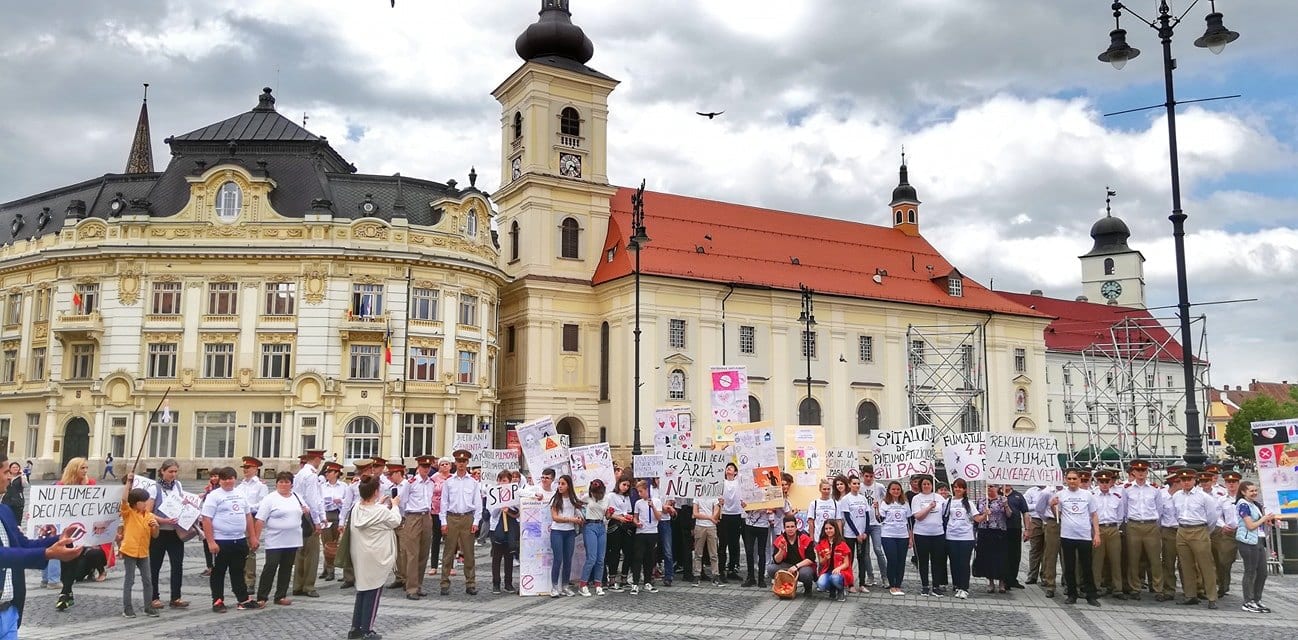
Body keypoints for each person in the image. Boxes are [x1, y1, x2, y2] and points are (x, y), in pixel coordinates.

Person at [0, 453, 81, 633]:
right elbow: (2, 555)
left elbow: (22, 544)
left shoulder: (4, 511)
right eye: (6, 472)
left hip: (9, 612)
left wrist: (58, 538)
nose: (9, 477)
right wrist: (48, 553)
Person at [347, 475, 401, 640]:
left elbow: (370, 510)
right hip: (376, 556)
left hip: (360, 553)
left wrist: (380, 504)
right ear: (376, 492)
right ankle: (367, 630)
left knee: (362, 589)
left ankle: (355, 628)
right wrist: (395, 505)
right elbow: (395, 521)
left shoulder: (357, 507)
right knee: (373, 591)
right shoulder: (381, 511)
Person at [200, 466, 258, 612]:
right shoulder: (214, 496)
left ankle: (243, 599)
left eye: (231, 479)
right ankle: (218, 600)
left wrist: (252, 537)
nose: (228, 482)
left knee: (238, 571)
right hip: (221, 540)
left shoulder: (240, 493)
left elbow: (248, 516)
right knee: (218, 571)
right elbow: (206, 519)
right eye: (225, 479)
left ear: (235, 479)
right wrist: (210, 541)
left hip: (239, 539)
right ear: (220, 480)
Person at [253, 471, 305, 607]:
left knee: (286, 568)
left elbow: (305, 509)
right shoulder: (270, 498)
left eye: (286, 482)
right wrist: (255, 539)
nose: (283, 484)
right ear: (276, 484)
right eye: (281, 482)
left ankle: (280, 595)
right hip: (275, 540)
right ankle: (262, 596)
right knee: (271, 566)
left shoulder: (297, 496)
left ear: (291, 484)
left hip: (292, 539)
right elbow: (260, 520)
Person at [54, 457, 100, 611]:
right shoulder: (61, 486)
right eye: (82, 468)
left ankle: (64, 592)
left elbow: (97, 503)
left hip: (82, 530)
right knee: (65, 561)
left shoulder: (91, 484)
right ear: (74, 469)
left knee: (74, 560)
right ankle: (68, 592)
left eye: (86, 468)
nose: (86, 471)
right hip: (65, 531)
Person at [1052, 468, 1100, 607]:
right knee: (1069, 567)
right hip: (1067, 535)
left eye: (1074, 479)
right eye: (1069, 479)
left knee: (1086, 566)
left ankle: (1091, 595)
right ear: (1066, 480)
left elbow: (1094, 515)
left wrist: (1096, 533)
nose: (1072, 481)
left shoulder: (1087, 495)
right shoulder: (1060, 495)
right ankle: (1072, 594)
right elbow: (1057, 516)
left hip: (1084, 535)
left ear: (1079, 480)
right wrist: (1052, 506)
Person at [1174, 471, 1221, 609]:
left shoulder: (1204, 497)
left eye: (1189, 479)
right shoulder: (1177, 496)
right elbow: (1176, 514)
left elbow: (1212, 517)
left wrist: (1205, 531)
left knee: (1205, 565)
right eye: (1183, 479)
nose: (1186, 482)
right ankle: (1190, 595)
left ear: (1195, 480)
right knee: (1185, 564)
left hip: (1199, 529)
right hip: (1182, 529)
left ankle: (1212, 597)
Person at [148, 459, 190, 610]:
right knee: (155, 565)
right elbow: (148, 512)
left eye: (175, 472)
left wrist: (185, 505)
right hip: (159, 532)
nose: (173, 474)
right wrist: (164, 520)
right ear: (162, 471)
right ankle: (154, 597)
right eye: (170, 471)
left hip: (175, 532)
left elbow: (180, 502)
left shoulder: (177, 485)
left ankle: (176, 597)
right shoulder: (155, 488)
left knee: (177, 564)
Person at [116, 475, 160, 619]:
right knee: (130, 580)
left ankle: (148, 607)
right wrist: (128, 482)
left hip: (143, 552)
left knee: (147, 580)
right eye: (143, 501)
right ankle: (127, 608)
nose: (146, 503)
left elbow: (155, 536)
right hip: (130, 550)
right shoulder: (128, 512)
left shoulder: (149, 515)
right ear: (135, 503)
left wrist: (156, 528)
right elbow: (124, 499)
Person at [1120, 459, 1164, 601]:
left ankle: (1158, 588)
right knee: (1133, 558)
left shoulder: (1154, 489)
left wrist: (1155, 524)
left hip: (1151, 525)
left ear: (1147, 472)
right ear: (1133, 472)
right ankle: (1135, 588)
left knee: (1155, 559)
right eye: (1138, 471)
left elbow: (1160, 509)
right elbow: (1124, 509)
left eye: (1143, 471)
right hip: (1134, 525)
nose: (1141, 473)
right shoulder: (1126, 489)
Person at [439, 449, 481, 596]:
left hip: (467, 517)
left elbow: (477, 503)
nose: (461, 464)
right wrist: (443, 521)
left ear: (467, 463)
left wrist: (476, 521)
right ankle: (444, 582)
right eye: (459, 461)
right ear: (455, 463)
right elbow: (443, 503)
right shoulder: (449, 482)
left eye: (464, 461)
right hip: (452, 517)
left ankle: (470, 583)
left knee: (469, 553)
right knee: (448, 552)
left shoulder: (474, 482)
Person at [397, 456, 435, 600]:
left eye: (428, 467)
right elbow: (402, 501)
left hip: (426, 516)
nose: (426, 469)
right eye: (423, 466)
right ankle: (411, 588)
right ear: (418, 467)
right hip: (413, 516)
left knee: (423, 553)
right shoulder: (410, 483)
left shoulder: (431, 483)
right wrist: (405, 518)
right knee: (412, 554)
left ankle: (418, 585)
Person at [291, 449, 327, 599]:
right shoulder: (311, 476)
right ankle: (309, 586)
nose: (321, 462)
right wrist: (318, 521)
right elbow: (313, 499)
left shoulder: (300, 474)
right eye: (320, 459)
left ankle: (297, 585)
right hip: (309, 517)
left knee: (300, 552)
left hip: (299, 515)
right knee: (312, 554)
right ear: (316, 459)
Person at [1234, 480, 1274, 613]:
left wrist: (1266, 521)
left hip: (1258, 539)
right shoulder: (1243, 505)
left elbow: (1258, 523)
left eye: (1255, 490)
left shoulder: (1255, 504)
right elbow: (1250, 526)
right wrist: (1263, 519)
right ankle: (1248, 601)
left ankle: (1257, 599)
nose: (1254, 493)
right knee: (1250, 571)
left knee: (1262, 572)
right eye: (1251, 491)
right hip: (1247, 541)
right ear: (1243, 492)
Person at [943, 478, 981, 600]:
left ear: (965, 489)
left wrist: (985, 514)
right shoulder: (948, 502)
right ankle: (957, 585)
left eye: (961, 487)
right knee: (954, 562)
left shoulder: (969, 503)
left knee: (964, 563)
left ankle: (964, 588)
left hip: (966, 537)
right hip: (951, 536)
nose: (958, 489)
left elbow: (977, 519)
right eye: (956, 487)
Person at [1090, 469, 1124, 598]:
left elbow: (1121, 515)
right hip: (1098, 529)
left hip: (1113, 529)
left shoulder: (1117, 497)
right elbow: (1090, 515)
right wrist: (1095, 531)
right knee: (1097, 560)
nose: (1104, 484)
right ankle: (1096, 587)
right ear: (1097, 482)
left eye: (1107, 481)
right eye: (1101, 481)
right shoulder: (1092, 497)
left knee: (1116, 560)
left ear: (1111, 482)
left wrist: (1116, 527)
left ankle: (1117, 588)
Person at [909, 476, 945, 597]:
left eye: (928, 484)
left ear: (932, 485)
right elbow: (918, 516)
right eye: (924, 484)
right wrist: (929, 507)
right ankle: (925, 585)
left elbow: (945, 513)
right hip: (921, 534)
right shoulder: (916, 498)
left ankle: (936, 586)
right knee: (923, 561)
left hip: (938, 534)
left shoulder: (939, 498)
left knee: (937, 561)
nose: (926, 486)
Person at [549, 474, 583, 597]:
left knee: (568, 560)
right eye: (559, 483)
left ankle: (565, 586)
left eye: (563, 484)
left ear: (568, 486)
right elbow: (555, 517)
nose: (560, 486)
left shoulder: (574, 500)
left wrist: (578, 519)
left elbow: (579, 512)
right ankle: (554, 587)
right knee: (558, 559)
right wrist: (571, 519)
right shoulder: (556, 499)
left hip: (570, 532)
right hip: (557, 531)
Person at [876, 481, 911, 596]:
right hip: (888, 535)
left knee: (901, 561)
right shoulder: (884, 503)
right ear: (889, 491)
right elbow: (880, 520)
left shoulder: (905, 503)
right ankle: (892, 585)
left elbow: (909, 521)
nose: (896, 491)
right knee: (892, 560)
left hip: (903, 536)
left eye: (898, 489)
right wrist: (876, 510)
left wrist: (911, 537)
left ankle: (898, 585)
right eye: (893, 489)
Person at [238, 456, 269, 589]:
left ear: (255, 469)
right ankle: (240, 578)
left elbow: (263, 504)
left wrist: (247, 507)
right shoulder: (240, 485)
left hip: (254, 518)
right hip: (240, 519)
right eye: (244, 467)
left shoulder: (261, 486)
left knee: (251, 548)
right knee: (240, 549)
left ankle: (250, 580)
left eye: (248, 467)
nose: (245, 470)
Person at [488, 470, 520, 595]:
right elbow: (492, 513)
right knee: (496, 557)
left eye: (505, 480)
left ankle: (508, 583)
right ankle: (496, 583)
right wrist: (499, 507)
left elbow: (517, 513)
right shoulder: (494, 493)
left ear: (510, 481)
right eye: (500, 480)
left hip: (510, 529)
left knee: (509, 556)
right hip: (496, 528)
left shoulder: (514, 493)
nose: (502, 483)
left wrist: (509, 509)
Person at [974, 484, 1010, 594]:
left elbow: (1009, 515)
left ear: (997, 488)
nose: (990, 489)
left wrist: (1006, 505)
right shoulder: (981, 500)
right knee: (987, 557)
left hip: (999, 531)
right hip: (984, 531)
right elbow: (976, 516)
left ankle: (1002, 582)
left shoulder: (1002, 499)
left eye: (992, 486)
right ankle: (990, 581)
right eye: (988, 486)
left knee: (1000, 557)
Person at [767, 515, 815, 595]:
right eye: (787, 527)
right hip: (786, 565)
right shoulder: (779, 539)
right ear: (784, 528)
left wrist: (796, 566)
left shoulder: (805, 538)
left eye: (792, 526)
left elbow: (811, 559)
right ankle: (786, 586)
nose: (790, 529)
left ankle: (808, 587)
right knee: (771, 569)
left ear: (796, 527)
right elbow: (777, 561)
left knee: (806, 574)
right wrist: (781, 550)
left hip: (801, 566)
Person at [1212, 470, 1242, 599]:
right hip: (1229, 532)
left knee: (1252, 562)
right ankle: (1223, 586)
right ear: (1225, 483)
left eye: (1234, 482)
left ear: (1238, 483)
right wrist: (1223, 525)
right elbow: (1216, 516)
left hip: (1246, 532)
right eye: (1229, 482)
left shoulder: (1244, 498)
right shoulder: (1222, 499)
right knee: (1224, 561)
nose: (1231, 484)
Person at [840, 475, 872, 594]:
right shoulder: (846, 499)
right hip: (850, 534)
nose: (857, 486)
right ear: (849, 485)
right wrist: (857, 533)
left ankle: (862, 583)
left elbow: (868, 516)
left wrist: (866, 532)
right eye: (854, 483)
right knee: (849, 559)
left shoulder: (863, 498)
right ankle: (850, 583)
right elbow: (848, 518)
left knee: (862, 558)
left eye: (858, 483)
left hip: (862, 534)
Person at [629, 480, 662, 594]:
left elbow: (659, 517)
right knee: (638, 557)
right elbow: (635, 517)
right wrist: (636, 522)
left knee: (650, 558)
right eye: (638, 491)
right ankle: (635, 583)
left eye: (641, 491)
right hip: (641, 532)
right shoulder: (638, 503)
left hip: (652, 532)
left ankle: (648, 581)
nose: (639, 494)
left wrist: (652, 507)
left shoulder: (657, 501)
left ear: (647, 490)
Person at [858, 466, 888, 586]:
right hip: (863, 523)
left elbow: (887, 499)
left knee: (878, 549)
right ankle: (870, 576)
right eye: (866, 476)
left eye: (871, 476)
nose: (869, 478)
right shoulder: (859, 487)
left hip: (876, 523)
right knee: (865, 553)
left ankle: (885, 577)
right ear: (862, 475)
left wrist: (879, 506)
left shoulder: (879, 487)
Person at [1033, 481, 1063, 598]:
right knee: (1051, 554)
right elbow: (1039, 509)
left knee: (1067, 554)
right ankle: (1050, 583)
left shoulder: (1066, 491)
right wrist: (1047, 521)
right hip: (1052, 522)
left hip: (1067, 522)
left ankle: (1068, 582)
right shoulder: (1047, 492)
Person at [606, 476, 636, 591]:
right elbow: (608, 513)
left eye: (628, 486)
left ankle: (624, 578)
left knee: (628, 551)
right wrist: (619, 517)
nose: (625, 487)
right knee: (615, 552)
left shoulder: (627, 497)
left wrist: (629, 517)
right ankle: (612, 579)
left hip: (626, 524)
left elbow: (627, 511)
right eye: (624, 484)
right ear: (619, 484)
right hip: (615, 525)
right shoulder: (611, 496)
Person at [319, 461, 347, 581]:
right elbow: (319, 501)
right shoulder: (322, 486)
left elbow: (348, 501)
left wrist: (340, 501)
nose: (327, 474)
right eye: (326, 472)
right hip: (325, 514)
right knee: (326, 542)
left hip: (337, 514)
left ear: (336, 473)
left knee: (334, 543)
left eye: (330, 472)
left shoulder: (344, 486)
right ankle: (329, 569)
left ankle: (329, 568)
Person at [814, 519, 853, 602]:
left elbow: (846, 563)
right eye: (826, 529)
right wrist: (825, 558)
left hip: (840, 572)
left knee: (835, 578)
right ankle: (832, 589)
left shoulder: (842, 543)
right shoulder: (821, 543)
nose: (828, 531)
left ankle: (841, 590)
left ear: (835, 529)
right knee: (821, 584)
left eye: (830, 528)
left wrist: (839, 568)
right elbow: (821, 562)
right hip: (827, 571)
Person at [718, 463, 743, 582]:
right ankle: (721, 570)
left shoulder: (738, 482)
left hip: (736, 515)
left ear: (736, 472)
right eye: (727, 467)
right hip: (724, 515)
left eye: (731, 467)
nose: (728, 468)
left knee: (734, 544)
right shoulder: (721, 482)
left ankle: (732, 569)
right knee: (723, 544)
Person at [427, 457, 452, 575]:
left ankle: (450, 565)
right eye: (442, 464)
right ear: (438, 466)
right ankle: (434, 565)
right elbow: (428, 494)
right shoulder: (433, 478)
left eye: (447, 464)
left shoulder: (453, 478)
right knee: (436, 538)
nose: (445, 466)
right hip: (436, 511)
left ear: (450, 466)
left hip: (449, 512)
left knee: (450, 540)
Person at [1000, 484, 1029, 589]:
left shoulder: (1018, 496)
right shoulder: (997, 494)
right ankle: (1003, 579)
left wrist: (1027, 529)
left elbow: (1025, 512)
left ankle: (1013, 579)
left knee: (1015, 555)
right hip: (1001, 529)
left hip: (1015, 529)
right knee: (1003, 555)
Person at [692, 491, 720, 586]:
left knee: (713, 553)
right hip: (700, 525)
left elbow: (716, 510)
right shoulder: (697, 496)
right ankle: (697, 574)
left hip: (711, 526)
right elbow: (695, 513)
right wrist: (710, 517)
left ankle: (715, 575)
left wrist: (711, 518)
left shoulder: (714, 496)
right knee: (698, 553)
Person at [806, 479, 839, 545]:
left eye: (828, 489)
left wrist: (839, 537)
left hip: (832, 538)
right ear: (820, 490)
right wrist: (811, 537)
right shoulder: (814, 503)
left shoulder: (835, 503)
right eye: (824, 489)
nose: (826, 491)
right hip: (818, 538)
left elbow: (838, 521)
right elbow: (811, 522)